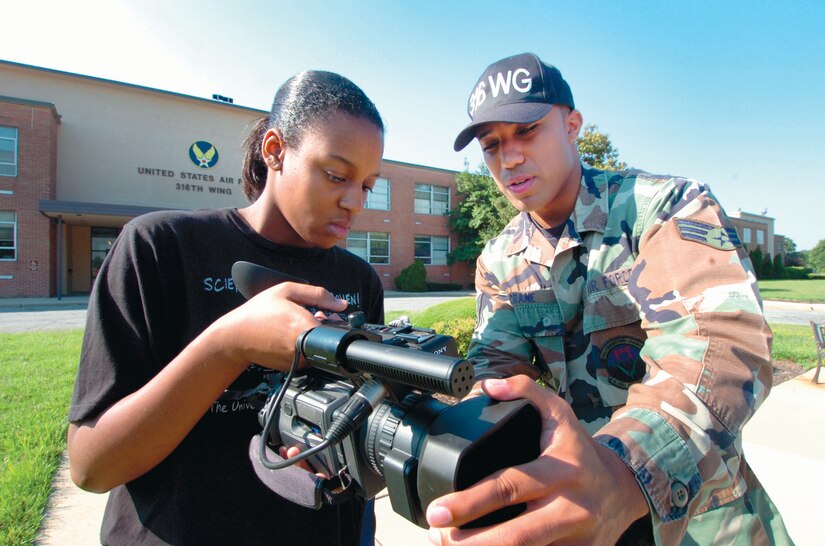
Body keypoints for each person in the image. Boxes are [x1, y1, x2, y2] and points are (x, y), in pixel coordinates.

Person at [426, 53, 793, 545]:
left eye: (528, 131)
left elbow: (724, 343)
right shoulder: (499, 260)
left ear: (572, 125)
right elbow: (496, 372)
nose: (508, 158)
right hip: (572, 514)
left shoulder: (663, 208)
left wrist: (621, 474)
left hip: (700, 521)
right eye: (492, 145)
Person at [67, 70, 386, 545]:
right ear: (274, 150)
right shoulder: (161, 247)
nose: (353, 201)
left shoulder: (359, 280)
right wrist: (228, 345)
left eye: (367, 185)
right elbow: (92, 465)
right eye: (337, 175)